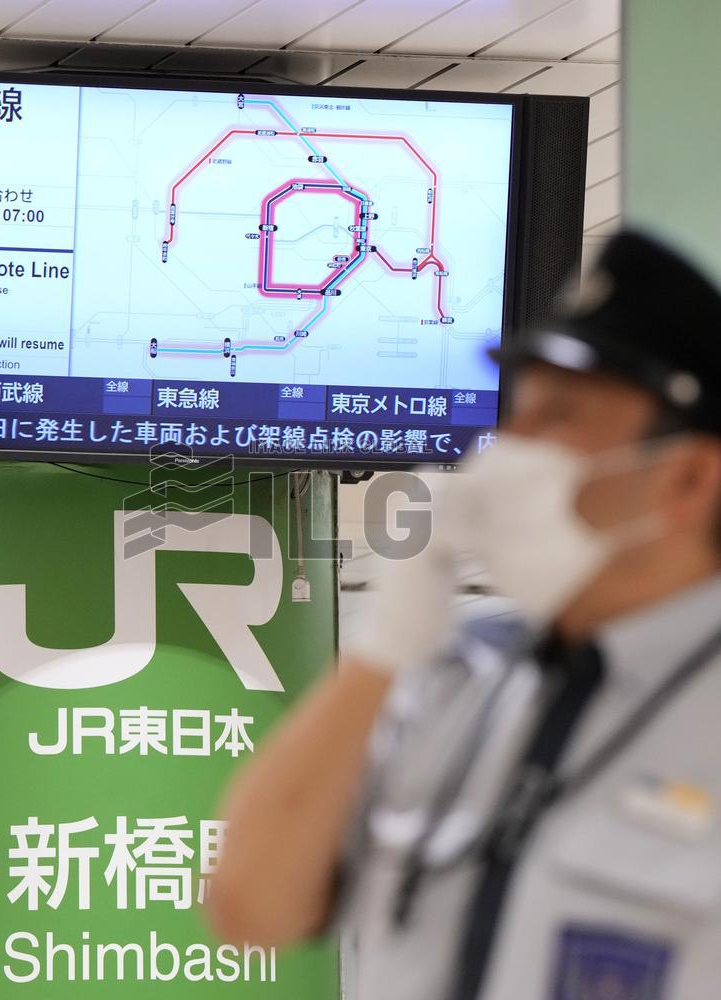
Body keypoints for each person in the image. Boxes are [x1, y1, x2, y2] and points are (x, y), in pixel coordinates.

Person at [206, 229, 721, 1000]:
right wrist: (381, 651)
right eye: (515, 414)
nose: (506, 450)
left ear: (685, 478)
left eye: (558, 416)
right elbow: (252, 909)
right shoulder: (455, 676)